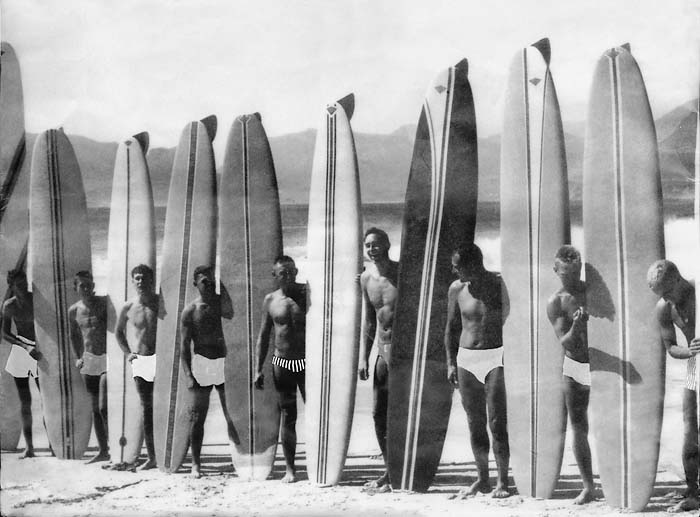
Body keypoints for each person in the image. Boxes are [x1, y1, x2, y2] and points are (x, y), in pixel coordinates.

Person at [444, 243, 510, 498]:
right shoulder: (457, 289)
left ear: (473, 264)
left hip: (494, 358)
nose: (454, 270)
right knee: (475, 422)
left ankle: (502, 482)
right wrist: (450, 362)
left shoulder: (499, 284)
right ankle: (483, 479)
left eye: (457, 266)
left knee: (497, 421)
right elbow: (451, 328)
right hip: (467, 360)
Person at [647, 260, 700, 513]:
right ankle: (693, 491)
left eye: (668, 292)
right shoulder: (664, 307)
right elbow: (670, 347)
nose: (666, 299)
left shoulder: (697, 291)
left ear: (678, 280)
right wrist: (689, 351)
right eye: (661, 295)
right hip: (694, 364)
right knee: (689, 427)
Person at [546, 245, 596, 505]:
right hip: (575, 366)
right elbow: (564, 342)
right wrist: (577, 325)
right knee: (579, 427)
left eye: (576, 273)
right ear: (556, 271)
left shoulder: (593, 291)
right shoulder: (555, 302)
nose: (573, 278)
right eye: (567, 274)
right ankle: (588, 487)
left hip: (602, 365)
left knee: (611, 423)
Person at [180, 265, 240, 478]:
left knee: (230, 414)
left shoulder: (219, 304)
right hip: (202, 365)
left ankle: (239, 460)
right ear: (195, 284)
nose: (209, 284)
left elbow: (231, 313)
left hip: (222, 362)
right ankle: (196, 464)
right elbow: (183, 345)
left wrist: (222, 282)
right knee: (198, 417)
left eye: (211, 280)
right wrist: (188, 375)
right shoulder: (190, 310)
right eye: (204, 281)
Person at [254, 255, 307, 483]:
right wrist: (257, 369)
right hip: (283, 363)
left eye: (290, 271)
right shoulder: (270, 300)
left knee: (315, 411)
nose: (287, 276)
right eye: (282, 273)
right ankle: (290, 469)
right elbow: (263, 336)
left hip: (307, 362)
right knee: (289, 415)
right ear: (274, 275)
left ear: (296, 272)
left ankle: (318, 462)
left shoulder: (307, 293)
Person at [358, 228, 397, 492]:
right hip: (382, 352)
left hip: (403, 353)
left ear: (387, 245)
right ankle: (388, 469)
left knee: (399, 413)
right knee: (378, 414)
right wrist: (363, 357)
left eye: (376, 244)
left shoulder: (402, 272)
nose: (372, 249)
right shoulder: (365, 279)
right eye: (368, 245)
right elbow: (369, 320)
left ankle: (399, 471)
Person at [115, 264, 158, 470]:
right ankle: (152, 457)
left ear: (151, 280)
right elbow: (118, 332)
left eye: (144, 278)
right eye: (137, 278)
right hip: (141, 361)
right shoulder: (128, 307)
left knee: (163, 407)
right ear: (133, 281)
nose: (141, 282)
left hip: (161, 360)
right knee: (147, 409)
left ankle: (166, 452)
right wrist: (127, 353)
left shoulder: (160, 302)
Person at [69, 270, 112, 463]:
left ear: (93, 286)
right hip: (89, 361)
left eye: (89, 285)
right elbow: (73, 336)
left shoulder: (104, 302)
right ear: (76, 288)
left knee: (103, 407)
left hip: (106, 359)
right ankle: (103, 450)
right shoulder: (73, 310)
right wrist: (77, 357)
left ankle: (116, 446)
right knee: (95, 408)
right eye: (82, 285)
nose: (86, 288)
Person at [2, 269, 40, 458]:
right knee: (25, 401)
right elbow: (5, 333)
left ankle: (54, 443)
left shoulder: (36, 300)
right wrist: (25, 346)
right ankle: (29, 447)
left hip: (40, 351)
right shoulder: (9, 306)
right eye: (19, 285)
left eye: (25, 283)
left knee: (48, 397)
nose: (23, 287)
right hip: (22, 351)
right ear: (12, 286)